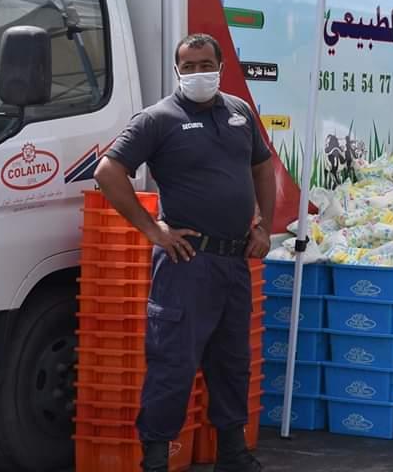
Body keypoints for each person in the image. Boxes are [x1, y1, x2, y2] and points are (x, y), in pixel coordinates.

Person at [95, 34, 276, 472]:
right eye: (189, 66)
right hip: (187, 263)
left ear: (221, 67)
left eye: (205, 64)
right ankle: (155, 461)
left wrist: (264, 227)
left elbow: (262, 166)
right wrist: (152, 229)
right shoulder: (158, 119)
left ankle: (232, 455)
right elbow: (108, 172)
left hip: (234, 261)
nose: (198, 73)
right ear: (177, 71)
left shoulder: (239, 112)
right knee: (172, 365)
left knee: (232, 363)